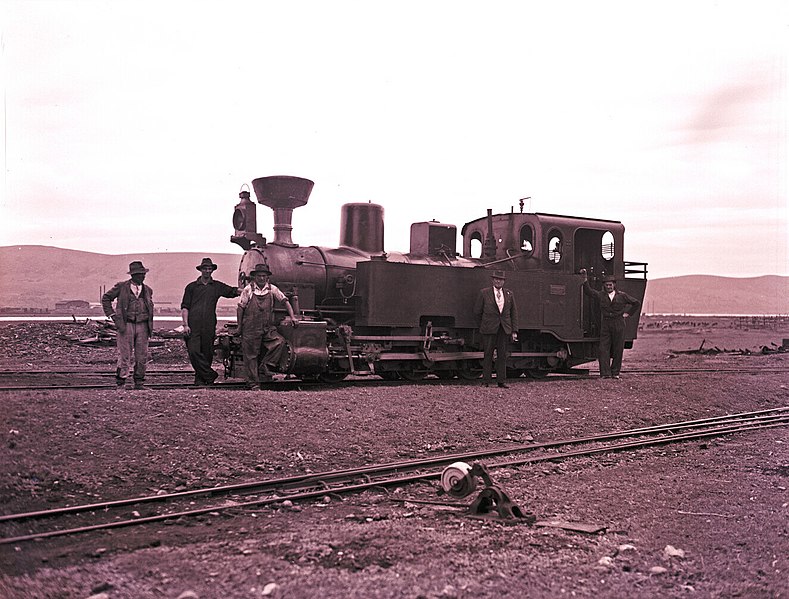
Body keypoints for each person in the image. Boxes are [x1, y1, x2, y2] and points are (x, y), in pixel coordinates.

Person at [237, 264, 298, 389]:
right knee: (251, 355)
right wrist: (239, 327)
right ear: (254, 277)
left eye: (264, 276)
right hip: (250, 327)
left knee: (279, 342)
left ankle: (265, 366)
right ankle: (253, 383)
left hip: (266, 327)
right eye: (259, 276)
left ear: (267, 277)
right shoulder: (248, 290)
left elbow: (285, 301)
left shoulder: (272, 289)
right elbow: (240, 308)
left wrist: (292, 317)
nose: (261, 278)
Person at [181, 258, 240, 386]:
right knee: (194, 351)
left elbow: (232, 291)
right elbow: (185, 307)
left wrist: (248, 289)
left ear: (212, 270)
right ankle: (210, 375)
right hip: (193, 325)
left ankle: (200, 380)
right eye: (205, 268)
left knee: (207, 353)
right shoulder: (191, 287)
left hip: (209, 324)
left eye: (209, 269)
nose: (207, 271)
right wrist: (185, 325)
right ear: (201, 270)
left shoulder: (216, 286)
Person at [102, 261, 154, 390]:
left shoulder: (148, 290)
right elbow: (106, 298)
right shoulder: (121, 287)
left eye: (143, 274)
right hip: (126, 325)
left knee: (142, 355)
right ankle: (121, 382)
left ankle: (139, 382)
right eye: (138, 274)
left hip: (143, 325)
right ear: (132, 275)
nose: (142, 276)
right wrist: (112, 315)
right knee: (125, 355)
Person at [580, 270, 641, 379]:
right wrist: (585, 279)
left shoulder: (622, 296)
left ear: (614, 285)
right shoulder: (601, 295)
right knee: (603, 349)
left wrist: (629, 313)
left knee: (618, 348)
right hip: (606, 324)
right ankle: (605, 374)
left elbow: (636, 303)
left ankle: (615, 373)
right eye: (607, 285)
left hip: (619, 323)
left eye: (610, 285)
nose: (608, 287)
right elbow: (589, 292)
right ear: (604, 286)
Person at [473, 270, 519, 388]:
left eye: (501, 279)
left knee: (502, 355)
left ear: (503, 281)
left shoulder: (509, 294)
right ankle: (485, 381)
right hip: (488, 328)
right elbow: (477, 312)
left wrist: (514, 330)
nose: (498, 281)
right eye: (496, 279)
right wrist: (483, 325)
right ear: (492, 280)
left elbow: (513, 313)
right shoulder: (484, 293)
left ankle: (501, 381)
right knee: (487, 354)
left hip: (503, 328)